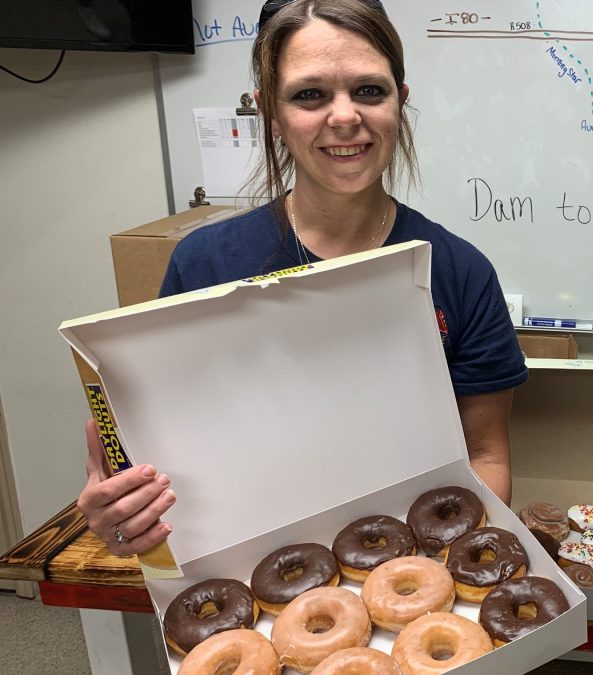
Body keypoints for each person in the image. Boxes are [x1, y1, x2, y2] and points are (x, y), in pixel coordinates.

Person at [76, 0, 527, 556]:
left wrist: (447, 572)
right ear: (272, 112)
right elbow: (157, 457)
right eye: (309, 95)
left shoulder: (459, 271)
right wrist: (126, 515)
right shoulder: (205, 266)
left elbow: (486, 455)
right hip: (250, 570)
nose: (344, 117)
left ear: (399, 102)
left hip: (416, 568)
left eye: (369, 90)